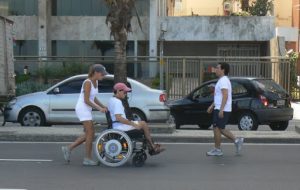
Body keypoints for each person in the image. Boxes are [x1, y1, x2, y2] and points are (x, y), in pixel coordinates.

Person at [61, 64, 108, 166]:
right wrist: (99, 108)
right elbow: (86, 100)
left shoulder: (95, 82)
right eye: (102, 74)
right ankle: (87, 159)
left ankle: (68, 148)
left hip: (87, 109)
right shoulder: (87, 82)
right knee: (90, 133)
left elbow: (93, 98)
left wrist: (103, 106)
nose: (103, 76)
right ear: (95, 73)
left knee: (89, 134)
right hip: (82, 108)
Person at [108, 82, 165, 155]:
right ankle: (152, 147)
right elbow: (119, 118)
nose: (126, 94)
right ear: (118, 91)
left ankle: (151, 146)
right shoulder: (117, 102)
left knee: (142, 123)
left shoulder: (111, 100)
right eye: (125, 92)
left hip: (117, 125)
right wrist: (133, 124)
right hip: (120, 127)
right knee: (143, 124)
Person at [206, 62, 244, 156]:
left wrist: (221, 110)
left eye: (217, 68)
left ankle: (220, 149)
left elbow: (225, 96)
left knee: (218, 128)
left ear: (223, 70)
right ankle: (235, 141)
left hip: (222, 109)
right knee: (219, 128)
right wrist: (212, 106)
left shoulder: (223, 81)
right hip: (219, 107)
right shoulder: (222, 80)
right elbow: (219, 97)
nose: (216, 69)